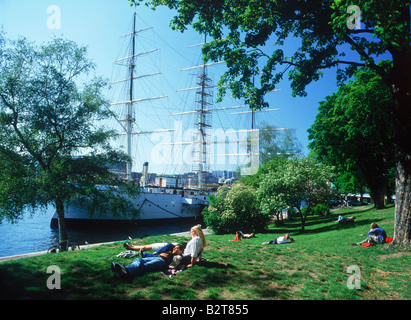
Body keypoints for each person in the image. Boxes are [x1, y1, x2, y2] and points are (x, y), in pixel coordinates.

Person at [111, 243, 184, 279]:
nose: (174, 248)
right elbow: (169, 245)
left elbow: (174, 265)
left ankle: (126, 271)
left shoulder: (179, 257)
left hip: (161, 262)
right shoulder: (170, 252)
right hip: (157, 258)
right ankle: (123, 270)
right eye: (174, 247)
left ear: (180, 251)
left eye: (176, 248)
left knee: (144, 266)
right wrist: (160, 254)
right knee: (138, 259)